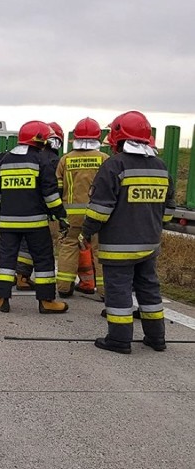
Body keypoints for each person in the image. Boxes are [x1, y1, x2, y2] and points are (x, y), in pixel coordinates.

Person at [82, 111, 175, 354]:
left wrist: (86, 233)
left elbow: (100, 210)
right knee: (149, 288)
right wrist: (153, 224)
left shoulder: (114, 166)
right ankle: (157, 338)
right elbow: (169, 209)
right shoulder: (161, 166)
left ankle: (119, 340)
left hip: (118, 246)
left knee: (119, 291)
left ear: (118, 138)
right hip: (149, 244)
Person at [0, 120, 69, 314]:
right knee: (43, 260)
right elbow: (50, 195)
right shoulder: (42, 161)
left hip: (8, 222)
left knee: (7, 260)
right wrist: (61, 216)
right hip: (36, 222)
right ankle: (46, 301)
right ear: (41, 140)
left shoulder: (4, 161)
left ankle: (2, 299)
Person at [55, 117, 108, 298]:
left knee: (69, 247)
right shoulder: (104, 159)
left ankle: (64, 287)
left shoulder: (65, 160)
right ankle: (105, 293)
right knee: (100, 250)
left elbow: (58, 188)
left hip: (71, 216)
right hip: (97, 214)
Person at [14, 122, 64, 289]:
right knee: (39, 247)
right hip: (41, 209)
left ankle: (21, 276)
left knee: (24, 244)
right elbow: (53, 189)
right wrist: (59, 212)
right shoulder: (53, 160)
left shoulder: (31, 156)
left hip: (23, 207)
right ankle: (38, 286)